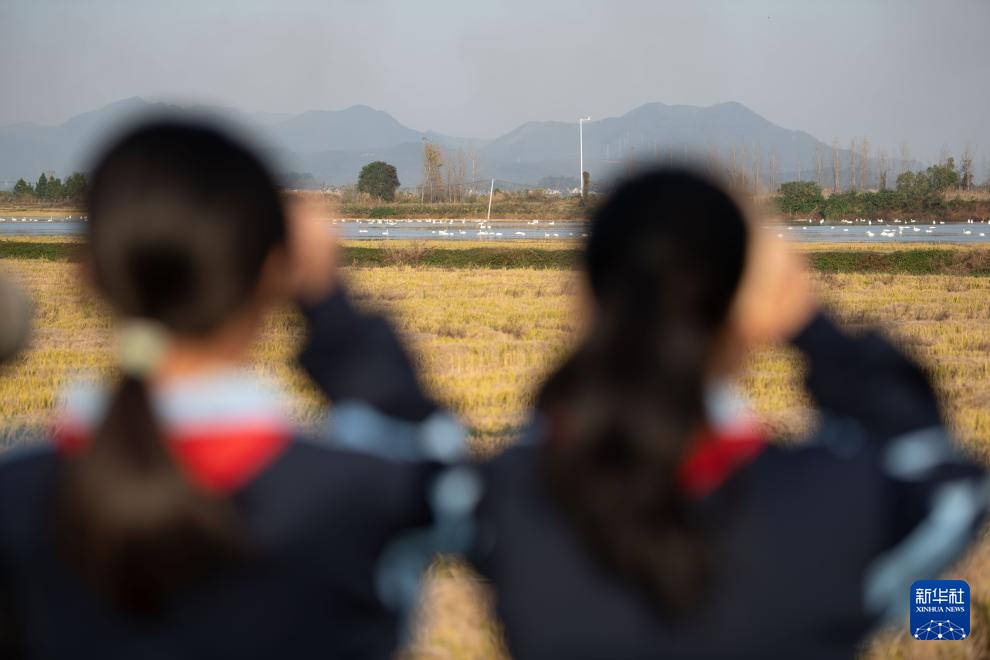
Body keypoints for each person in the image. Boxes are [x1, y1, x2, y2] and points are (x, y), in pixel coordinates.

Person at [0, 121, 475, 659]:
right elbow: (446, 477)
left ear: (85, 272)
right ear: (275, 272)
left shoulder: (16, 498)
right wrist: (330, 307)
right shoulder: (361, 496)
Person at [472, 169, 989, 659]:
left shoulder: (509, 504)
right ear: (747, 306)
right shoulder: (827, 506)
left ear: (588, 299)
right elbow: (951, 485)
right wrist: (812, 326)